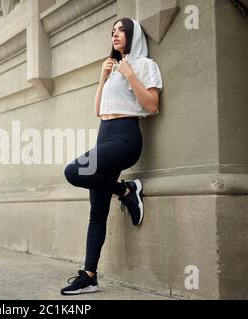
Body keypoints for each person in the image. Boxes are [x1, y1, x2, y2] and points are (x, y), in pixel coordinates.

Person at [60, 17, 163, 296]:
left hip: (125, 137)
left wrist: (130, 75)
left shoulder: (144, 65)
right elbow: (98, 110)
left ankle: (127, 190)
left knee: (73, 171)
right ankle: (90, 276)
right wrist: (104, 77)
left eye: (120, 30)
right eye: (112, 31)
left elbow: (152, 105)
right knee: (96, 213)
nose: (115, 35)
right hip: (104, 134)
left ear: (133, 35)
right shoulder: (114, 68)